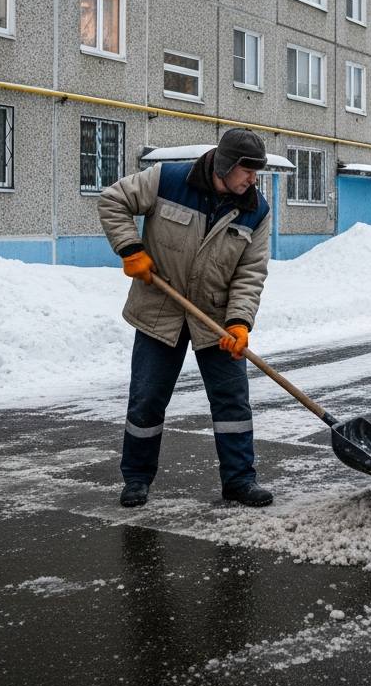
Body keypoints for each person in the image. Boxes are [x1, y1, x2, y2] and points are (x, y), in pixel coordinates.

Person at [98, 128, 274, 509]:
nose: (253, 179)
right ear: (226, 165)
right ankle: (137, 479)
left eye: (257, 172)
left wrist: (239, 323)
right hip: (160, 308)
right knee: (146, 399)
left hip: (215, 317)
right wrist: (130, 248)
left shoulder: (255, 210)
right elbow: (113, 200)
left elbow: (250, 272)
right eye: (248, 170)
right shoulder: (167, 179)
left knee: (233, 403)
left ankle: (240, 481)